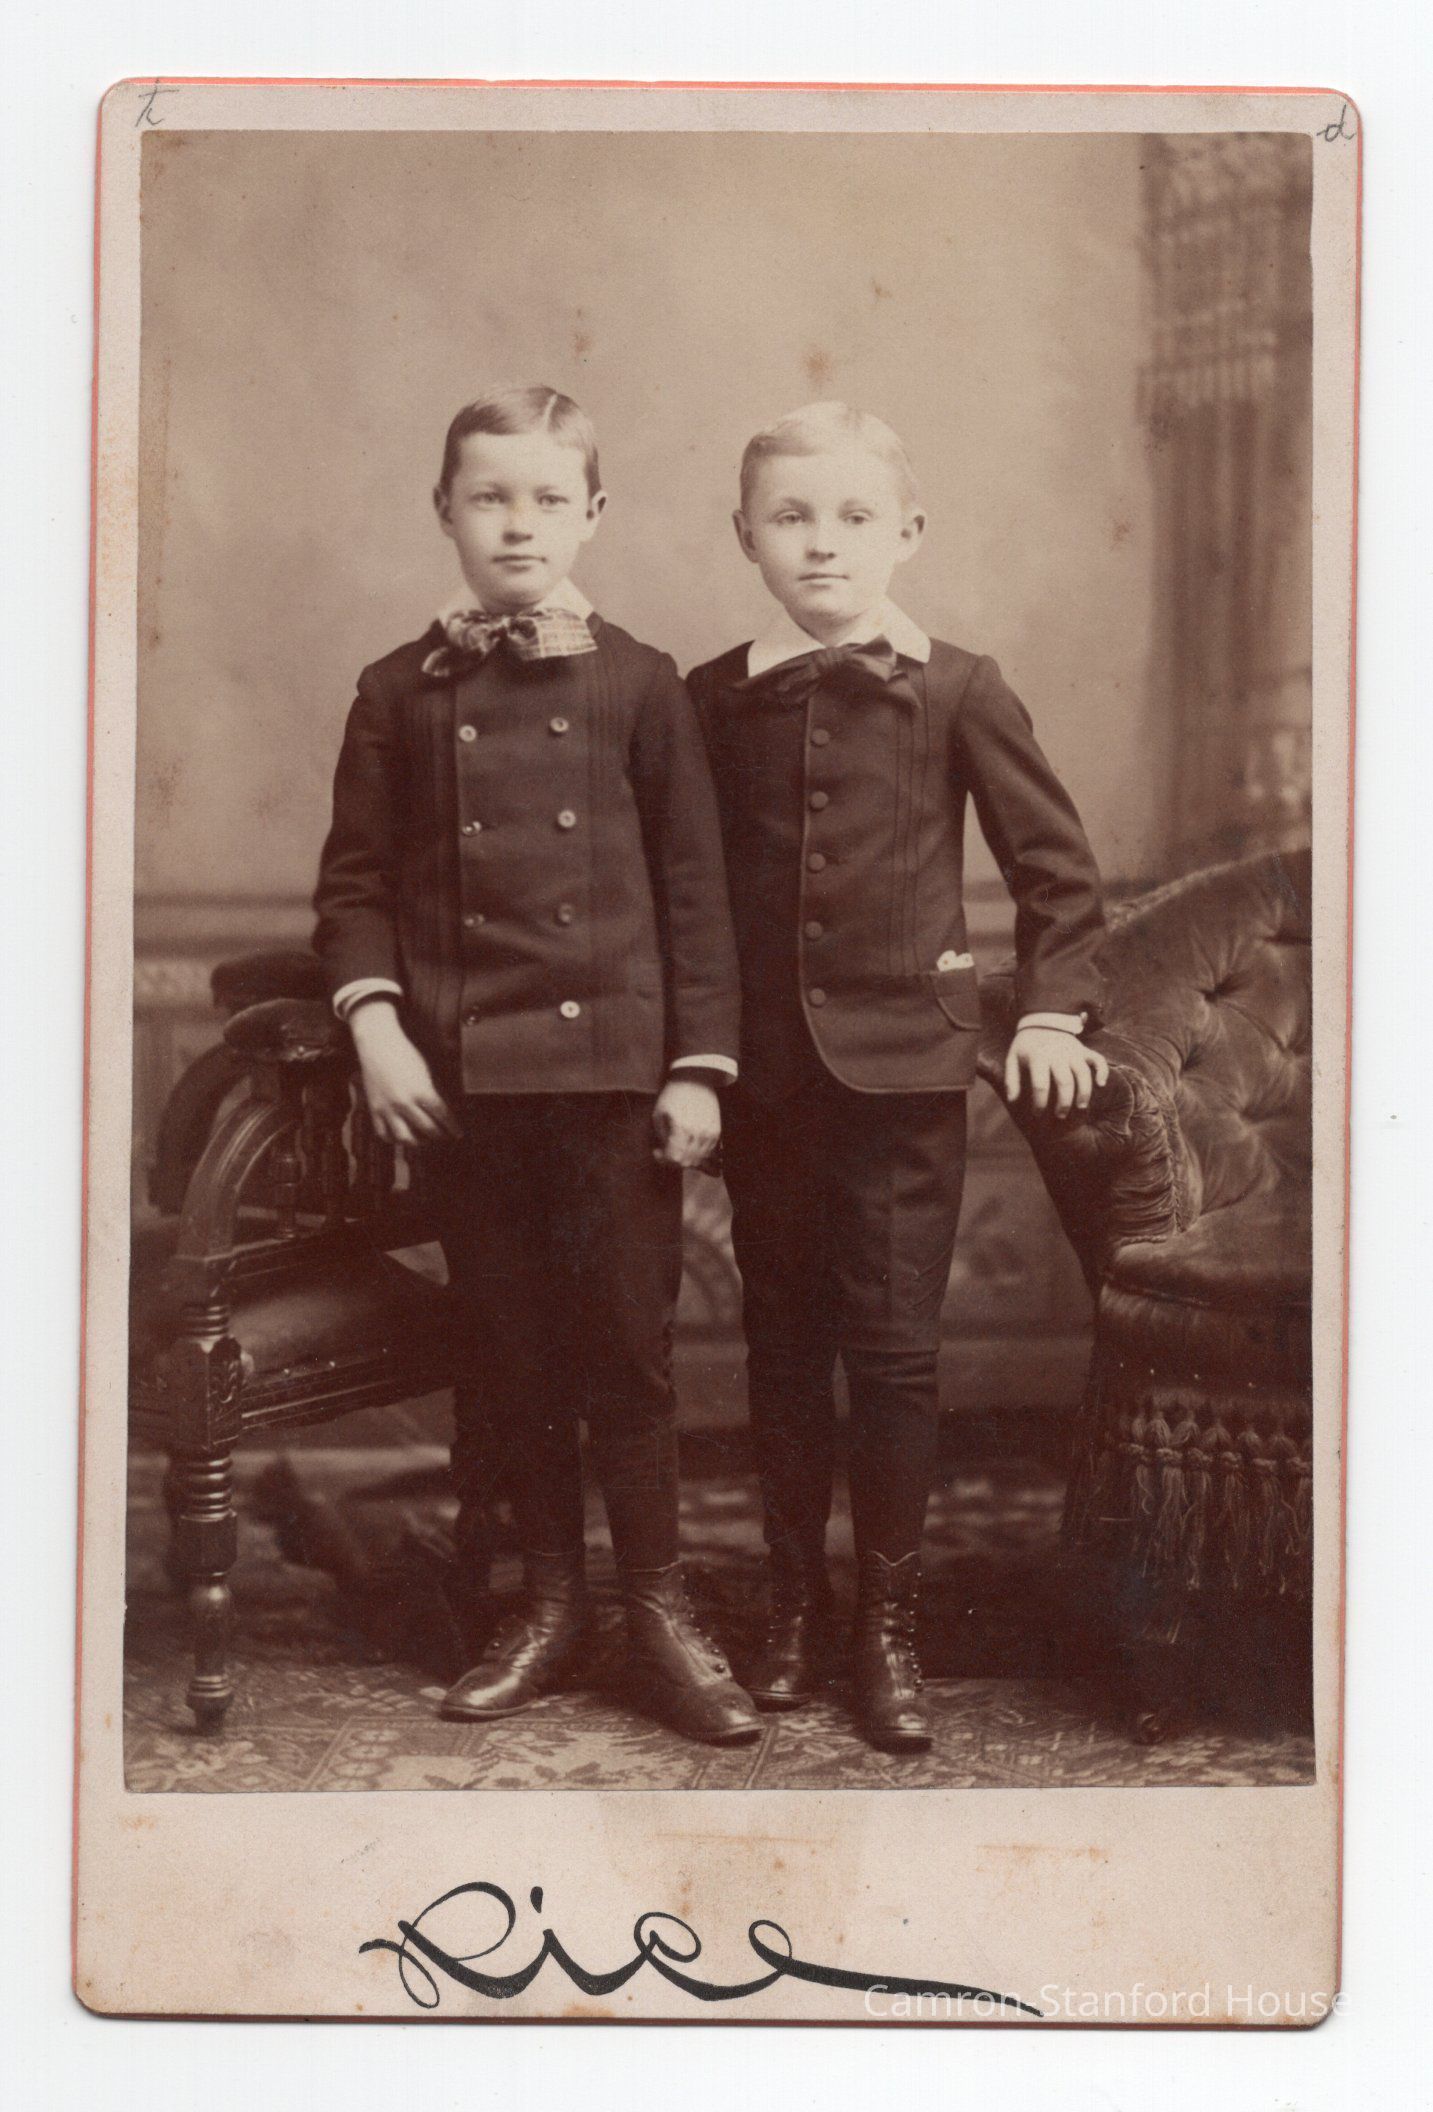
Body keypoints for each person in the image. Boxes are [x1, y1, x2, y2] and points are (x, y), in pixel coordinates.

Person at [313, 383, 760, 1746]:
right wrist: (377, 1030)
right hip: (465, 1087)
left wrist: (697, 1070)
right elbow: (353, 889)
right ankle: (548, 1606)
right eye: (490, 497)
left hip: (614, 1080)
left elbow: (695, 894)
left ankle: (660, 1611)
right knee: (511, 1361)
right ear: (443, 510)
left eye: (548, 498)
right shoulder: (396, 691)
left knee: (626, 1355)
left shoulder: (640, 682)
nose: (519, 523)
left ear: (592, 513)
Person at [687, 402, 1108, 1754]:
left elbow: (1058, 875)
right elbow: (680, 892)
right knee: (780, 1346)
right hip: (763, 1081)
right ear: (745, 535)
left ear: (907, 532)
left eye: (854, 516)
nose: (823, 543)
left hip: (907, 1078)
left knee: (893, 1354)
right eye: (792, 517)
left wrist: (1050, 1015)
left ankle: (887, 1627)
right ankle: (792, 1609)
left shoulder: (960, 687)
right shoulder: (709, 698)